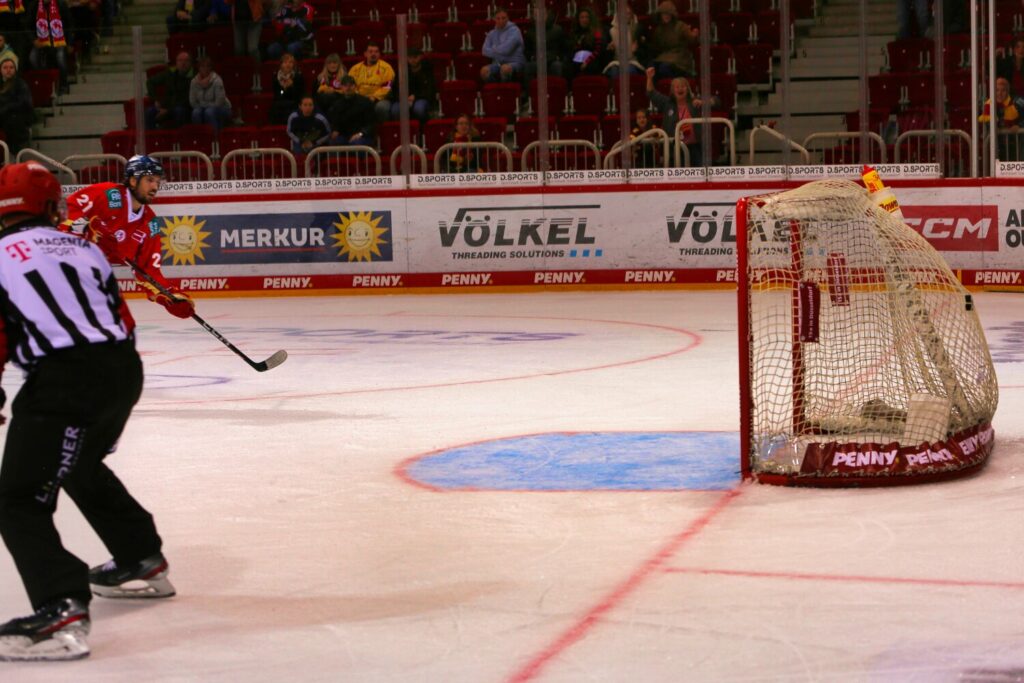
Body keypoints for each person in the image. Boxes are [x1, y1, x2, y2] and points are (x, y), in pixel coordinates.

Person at [0, 161, 174, 663]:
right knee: (76, 462)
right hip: (122, 369)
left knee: (17, 498)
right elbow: (119, 318)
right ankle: (140, 557)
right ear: (53, 206)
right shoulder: (87, 251)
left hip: (62, 382)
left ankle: (60, 608)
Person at [61, 155, 195, 319]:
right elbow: (59, 218)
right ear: (133, 181)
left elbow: (148, 271)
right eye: (150, 180)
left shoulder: (150, 223)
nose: (155, 186)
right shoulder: (106, 194)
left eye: (157, 182)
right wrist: (84, 229)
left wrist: (170, 297)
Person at [646, 66, 716, 166]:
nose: (680, 89)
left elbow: (717, 101)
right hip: (674, 147)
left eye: (683, 86)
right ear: (672, 90)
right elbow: (651, 93)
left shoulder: (695, 102)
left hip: (695, 147)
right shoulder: (667, 103)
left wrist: (704, 102)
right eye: (677, 87)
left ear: (687, 89)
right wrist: (649, 77)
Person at [28, 0, 73, 93]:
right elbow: (28, 25)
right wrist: (34, 40)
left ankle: (63, 85)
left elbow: (70, 25)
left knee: (60, 57)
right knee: (33, 57)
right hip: (41, 40)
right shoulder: (34, 5)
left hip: (58, 40)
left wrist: (70, 43)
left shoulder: (60, 4)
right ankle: (45, 83)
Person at [647, 0, 697, 79]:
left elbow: (691, 40)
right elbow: (656, 47)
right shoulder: (659, 30)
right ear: (660, 15)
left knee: (664, 67)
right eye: (664, 14)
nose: (666, 16)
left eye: (668, 13)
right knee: (651, 67)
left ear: (672, 15)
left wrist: (694, 35)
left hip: (679, 57)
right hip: (664, 56)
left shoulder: (680, 26)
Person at [145, 50, 194, 129]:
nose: (183, 63)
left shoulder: (194, 76)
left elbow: (188, 100)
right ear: (176, 63)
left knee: (179, 111)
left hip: (184, 107)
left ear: (190, 63)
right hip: (166, 106)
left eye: (186, 61)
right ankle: (151, 139)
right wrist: (155, 99)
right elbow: (150, 82)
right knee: (149, 111)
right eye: (180, 60)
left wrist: (168, 110)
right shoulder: (169, 73)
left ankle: (179, 138)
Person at [980, 76, 1024, 161]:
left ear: (1008, 91)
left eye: (1003, 90)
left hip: (1018, 145)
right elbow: (986, 124)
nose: (999, 93)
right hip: (999, 147)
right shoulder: (988, 106)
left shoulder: (1017, 102)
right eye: (997, 90)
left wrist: (1020, 125)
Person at [386, 47, 435, 124]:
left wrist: (415, 96)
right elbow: (396, 88)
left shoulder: (427, 70)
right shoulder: (401, 71)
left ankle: (421, 132)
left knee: (419, 109)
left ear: (420, 57)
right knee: (395, 110)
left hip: (421, 98)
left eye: (415, 57)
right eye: (410, 57)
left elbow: (430, 90)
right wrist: (403, 97)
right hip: (403, 99)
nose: (413, 60)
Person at [347, 41, 394, 122]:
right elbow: (350, 85)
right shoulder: (355, 68)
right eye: (370, 52)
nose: (373, 54)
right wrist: (359, 97)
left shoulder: (386, 68)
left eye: (376, 52)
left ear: (379, 54)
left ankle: (382, 131)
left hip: (379, 99)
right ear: (365, 54)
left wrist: (374, 97)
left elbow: (387, 87)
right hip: (359, 98)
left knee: (381, 107)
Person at [327, 74, 376, 147]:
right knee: (334, 142)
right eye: (345, 85)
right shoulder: (337, 104)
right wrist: (335, 130)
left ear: (355, 86)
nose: (348, 88)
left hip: (362, 136)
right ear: (341, 87)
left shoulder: (365, 102)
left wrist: (360, 134)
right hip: (344, 136)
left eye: (350, 85)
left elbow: (372, 124)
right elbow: (335, 123)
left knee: (356, 143)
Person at [480, 6, 524, 84]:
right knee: (484, 71)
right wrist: (499, 50)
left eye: (504, 18)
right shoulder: (491, 33)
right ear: (494, 19)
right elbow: (484, 50)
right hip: (498, 63)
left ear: (508, 18)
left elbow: (506, 50)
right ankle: (496, 89)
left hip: (515, 62)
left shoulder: (515, 31)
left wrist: (493, 48)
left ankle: (505, 90)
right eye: (498, 18)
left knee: (504, 69)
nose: (501, 21)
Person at [524, 8, 568, 81]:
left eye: (542, 14)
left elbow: (564, 48)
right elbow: (527, 50)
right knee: (528, 67)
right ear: (534, 17)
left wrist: (558, 57)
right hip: (537, 59)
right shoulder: (530, 32)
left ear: (547, 15)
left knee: (557, 66)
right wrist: (532, 57)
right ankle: (529, 91)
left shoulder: (558, 30)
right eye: (536, 15)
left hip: (553, 59)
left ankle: (558, 90)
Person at [0, 56, 32, 154]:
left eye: (11, 67)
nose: (8, 70)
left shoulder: (20, 84)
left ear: (15, 69)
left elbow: (25, 103)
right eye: (5, 68)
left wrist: (7, 108)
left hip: (17, 124)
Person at [189, 55, 231, 130]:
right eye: (202, 66)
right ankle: (200, 136)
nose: (205, 69)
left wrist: (204, 106)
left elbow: (219, 102)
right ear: (199, 68)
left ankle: (215, 138)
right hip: (202, 108)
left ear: (211, 68)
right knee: (195, 113)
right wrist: (203, 107)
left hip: (222, 108)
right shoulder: (194, 82)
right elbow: (192, 101)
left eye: (207, 66)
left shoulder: (217, 80)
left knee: (209, 112)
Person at [604, 4, 644, 79]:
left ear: (631, 16)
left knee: (630, 71)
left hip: (632, 61)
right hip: (616, 61)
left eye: (628, 14)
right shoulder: (610, 31)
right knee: (614, 71)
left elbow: (645, 53)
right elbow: (605, 56)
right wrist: (609, 49)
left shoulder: (637, 30)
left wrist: (636, 50)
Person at [568, 5, 606, 78]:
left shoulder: (596, 32)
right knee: (568, 67)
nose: (584, 19)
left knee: (592, 67)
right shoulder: (575, 32)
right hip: (577, 59)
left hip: (592, 60)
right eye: (582, 17)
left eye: (586, 17)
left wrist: (587, 61)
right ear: (578, 19)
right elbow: (572, 50)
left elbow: (598, 50)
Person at [268, 51, 304, 125]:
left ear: (293, 65)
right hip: (281, 102)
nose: (288, 64)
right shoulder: (276, 78)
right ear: (281, 65)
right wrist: (283, 89)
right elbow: (278, 96)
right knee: (275, 107)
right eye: (285, 62)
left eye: (290, 62)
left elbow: (299, 95)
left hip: (294, 102)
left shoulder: (298, 77)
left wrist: (292, 86)